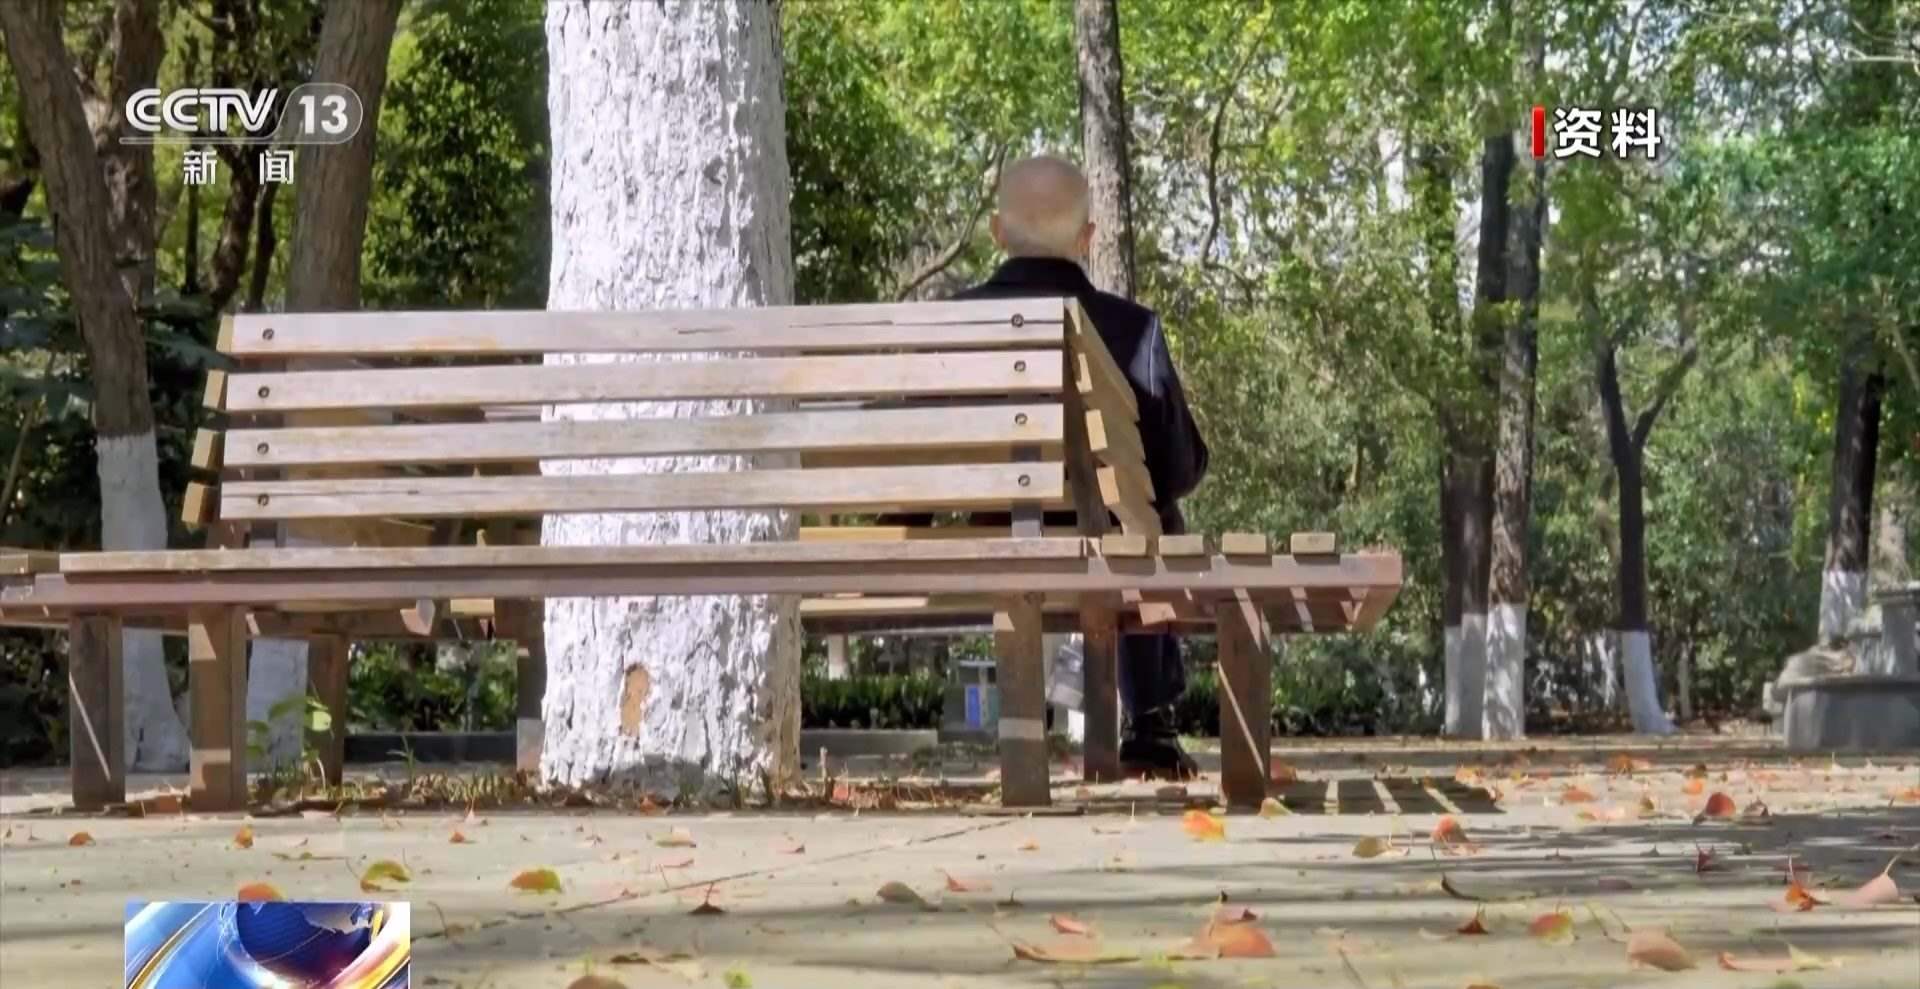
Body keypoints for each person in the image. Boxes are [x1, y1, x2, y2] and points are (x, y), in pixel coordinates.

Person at [960, 154, 1211, 778]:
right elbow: (1179, 468)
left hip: (986, 545)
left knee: (1142, 515)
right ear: (1087, 238)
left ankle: (1022, 727)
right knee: (1153, 514)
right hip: (1108, 552)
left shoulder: (948, 325)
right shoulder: (1132, 329)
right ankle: (1151, 722)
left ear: (997, 232)